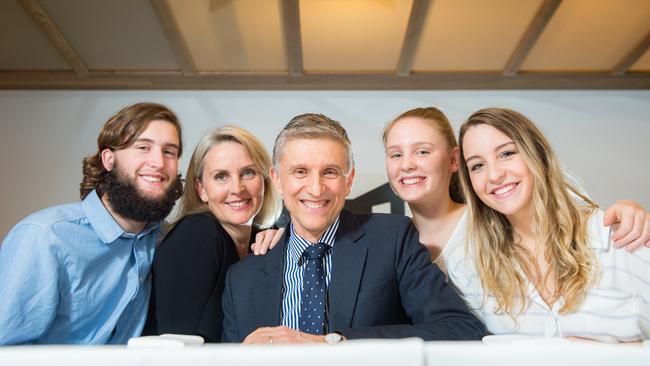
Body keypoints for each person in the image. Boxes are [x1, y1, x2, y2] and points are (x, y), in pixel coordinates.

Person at [222, 113, 486, 344]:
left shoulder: (392, 239)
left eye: (330, 172)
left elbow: (459, 329)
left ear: (349, 181)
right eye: (300, 172)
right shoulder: (241, 278)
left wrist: (334, 342)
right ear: (277, 180)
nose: (315, 189)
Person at [446, 107, 650, 342]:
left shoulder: (619, 237)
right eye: (477, 166)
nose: (494, 175)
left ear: (538, 154)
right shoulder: (469, 265)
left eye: (507, 153)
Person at [382, 107, 650, 274]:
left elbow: (563, 213)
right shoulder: (390, 240)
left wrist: (629, 210)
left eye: (422, 151)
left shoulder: (494, 218)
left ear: (454, 161)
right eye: (395, 155)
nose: (407, 164)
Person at [0, 103, 183, 344]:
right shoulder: (44, 238)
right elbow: (6, 348)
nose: (158, 162)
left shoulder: (160, 238)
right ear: (108, 159)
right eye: (143, 147)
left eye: (169, 152)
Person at [144, 126, 282, 342]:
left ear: (265, 179)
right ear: (201, 189)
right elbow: (176, 347)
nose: (237, 188)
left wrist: (289, 243)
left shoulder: (261, 239)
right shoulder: (197, 234)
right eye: (221, 177)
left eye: (248, 172)